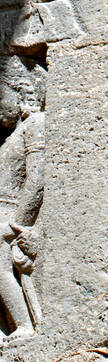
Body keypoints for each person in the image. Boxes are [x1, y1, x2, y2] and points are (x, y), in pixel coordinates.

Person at [0, 56, 45, 336]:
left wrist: (16, 224)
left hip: (10, 214)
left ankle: (24, 325)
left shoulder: (36, 124)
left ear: (20, 92)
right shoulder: (9, 139)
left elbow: (38, 179)